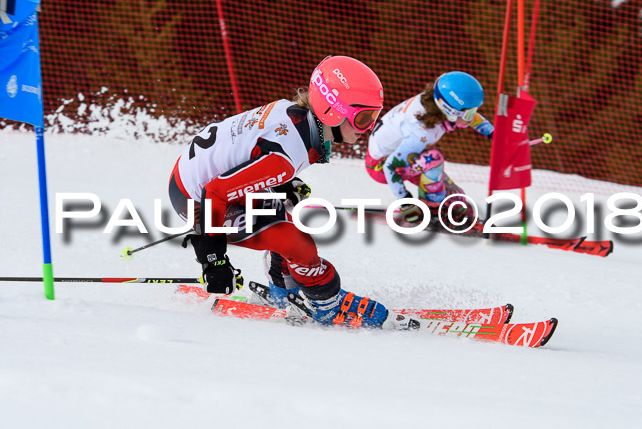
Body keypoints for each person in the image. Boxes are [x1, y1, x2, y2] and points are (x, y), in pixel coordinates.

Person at [168, 56, 410, 330]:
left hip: (195, 182)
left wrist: (280, 184)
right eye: (364, 118)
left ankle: (282, 288)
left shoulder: (293, 113)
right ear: (333, 111)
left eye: (373, 118)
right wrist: (214, 261)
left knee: (281, 215)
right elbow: (216, 191)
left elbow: (251, 149)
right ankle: (326, 303)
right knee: (297, 243)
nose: (366, 129)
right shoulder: (287, 155)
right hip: (198, 201)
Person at [365, 71, 494, 224]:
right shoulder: (421, 133)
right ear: (450, 112)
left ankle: (440, 205)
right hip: (380, 167)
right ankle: (432, 207)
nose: (473, 117)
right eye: (469, 114)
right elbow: (390, 168)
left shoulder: (435, 103)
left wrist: (492, 133)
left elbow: (469, 117)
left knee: (459, 201)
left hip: (405, 157)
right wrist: (406, 203)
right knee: (433, 158)